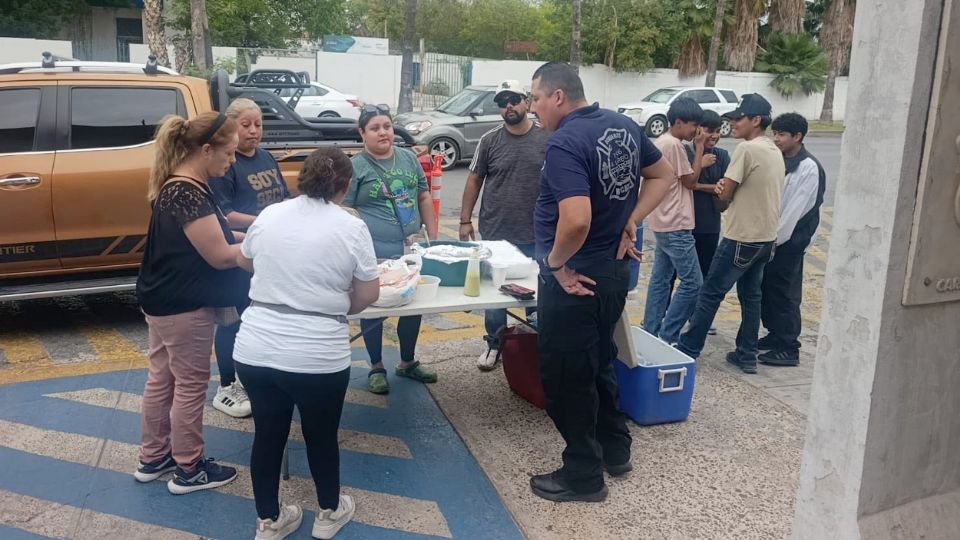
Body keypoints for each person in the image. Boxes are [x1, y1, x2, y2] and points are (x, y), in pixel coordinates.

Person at [529, 61, 673, 503]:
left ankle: (584, 476)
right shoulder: (622, 124)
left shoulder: (566, 141)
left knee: (568, 378)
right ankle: (615, 450)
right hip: (613, 275)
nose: (533, 108)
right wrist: (631, 218)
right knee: (599, 360)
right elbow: (663, 174)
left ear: (557, 96)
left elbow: (575, 220)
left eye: (535, 98)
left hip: (576, 280)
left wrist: (554, 265)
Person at [233, 148, 380, 540]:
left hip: (255, 348)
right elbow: (368, 292)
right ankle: (328, 514)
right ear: (345, 187)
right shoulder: (351, 227)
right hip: (317, 355)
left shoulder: (271, 215)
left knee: (267, 434)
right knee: (320, 435)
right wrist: (330, 306)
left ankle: (269, 521)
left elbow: (246, 261)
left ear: (302, 179)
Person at [134, 111, 245, 494]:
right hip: (184, 304)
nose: (232, 161)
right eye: (228, 153)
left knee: (162, 378)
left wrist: (255, 231)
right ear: (206, 148)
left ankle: (153, 457)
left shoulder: (179, 184)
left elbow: (219, 231)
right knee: (191, 384)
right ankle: (189, 467)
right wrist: (264, 245)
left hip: (162, 297)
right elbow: (221, 255)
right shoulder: (187, 192)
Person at [676, 94, 785, 374]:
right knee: (751, 296)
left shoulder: (747, 150)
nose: (732, 124)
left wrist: (719, 187)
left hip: (741, 237)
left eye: (738, 119)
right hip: (766, 238)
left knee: (710, 292)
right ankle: (747, 354)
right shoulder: (773, 150)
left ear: (756, 120)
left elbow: (725, 194)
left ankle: (688, 348)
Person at [344, 105, 438, 394]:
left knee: (413, 305)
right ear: (362, 133)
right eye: (375, 128)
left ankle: (407, 361)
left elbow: (422, 195)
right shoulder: (355, 166)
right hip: (373, 252)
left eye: (387, 126)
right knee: (373, 308)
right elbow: (344, 205)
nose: (383, 132)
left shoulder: (408, 158)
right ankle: (376, 366)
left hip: (409, 249)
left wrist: (432, 238)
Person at [208, 97, 291, 419]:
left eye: (258, 124)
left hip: (270, 255)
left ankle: (256, 377)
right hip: (238, 254)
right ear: (231, 127)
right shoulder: (227, 164)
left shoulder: (267, 157)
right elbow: (224, 214)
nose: (254, 131)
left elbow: (283, 199)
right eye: (246, 125)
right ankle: (227, 385)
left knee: (263, 318)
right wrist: (265, 223)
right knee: (234, 320)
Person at [459, 79, 549, 370]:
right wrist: (464, 220)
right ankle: (494, 344)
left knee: (538, 292)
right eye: (502, 102)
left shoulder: (548, 138)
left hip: (538, 232)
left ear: (526, 101)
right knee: (496, 296)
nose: (508, 106)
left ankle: (537, 345)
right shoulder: (489, 140)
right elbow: (474, 179)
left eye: (513, 99)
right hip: (496, 233)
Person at [759, 113, 826, 367]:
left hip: (789, 242)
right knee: (768, 289)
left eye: (782, 135)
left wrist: (774, 241)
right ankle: (775, 335)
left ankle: (788, 347)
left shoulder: (807, 167)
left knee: (785, 294)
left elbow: (793, 212)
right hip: (773, 239)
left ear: (797, 137)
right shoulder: (781, 159)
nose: (776, 139)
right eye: (775, 134)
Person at [642, 97, 705, 345]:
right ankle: (668, 334)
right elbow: (690, 181)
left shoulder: (661, 142)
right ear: (678, 122)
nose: (695, 131)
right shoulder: (674, 145)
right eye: (693, 126)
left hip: (663, 220)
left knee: (661, 279)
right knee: (693, 283)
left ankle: (650, 330)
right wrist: (699, 150)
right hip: (676, 222)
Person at [667, 110, 732, 335]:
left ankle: (699, 317)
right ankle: (666, 314)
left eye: (717, 131)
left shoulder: (723, 156)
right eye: (708, 130)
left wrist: (710, 189)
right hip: (683, 223)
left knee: (704, 273)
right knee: (672, 275)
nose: (713, 136)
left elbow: (724, 188)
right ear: (697, 130)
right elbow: (686, 184)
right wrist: (707, 181)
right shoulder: (684, 151)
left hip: (710, 224)